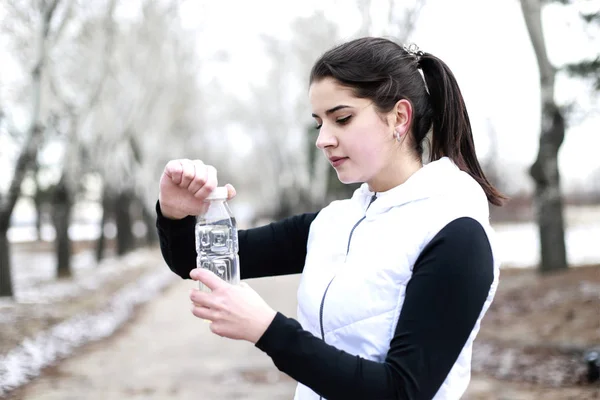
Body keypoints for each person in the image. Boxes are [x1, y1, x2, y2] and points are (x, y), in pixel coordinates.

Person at [155, 37, 506, 400]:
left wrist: (267, 329)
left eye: (342, 118)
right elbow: (194, 263)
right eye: (319, 122)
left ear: (399, 117)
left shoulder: (457, 234)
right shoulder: (332, 224)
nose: (323, 139)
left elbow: (403, 392)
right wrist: (176, 211)